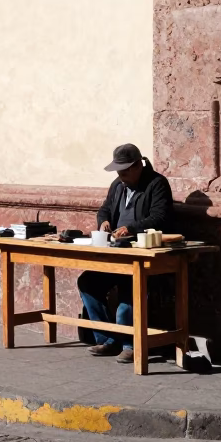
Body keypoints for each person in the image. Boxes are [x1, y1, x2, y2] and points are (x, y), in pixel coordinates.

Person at [78, 143, 174, 364]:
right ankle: (108, 339)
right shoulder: (118, 185)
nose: (121, 176)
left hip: (141, 254)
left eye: (124, 171)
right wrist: (104, 221)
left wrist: (131, 229)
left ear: (138, 165)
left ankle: (131, 344)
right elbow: (105, 209)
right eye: (118, 172)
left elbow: (161, 218)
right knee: (88, 283)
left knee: (130, 289)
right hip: (115, 252)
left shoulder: (157, 184)